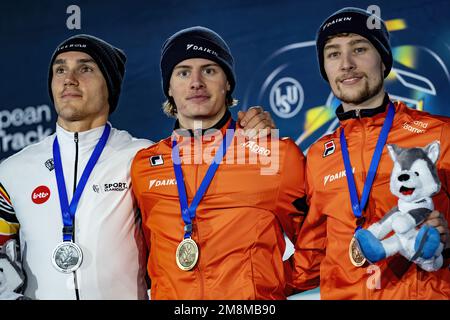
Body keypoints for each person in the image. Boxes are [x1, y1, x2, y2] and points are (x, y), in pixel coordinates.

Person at [0, 34, 273, 300]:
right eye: (60, 69)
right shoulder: (12, 172)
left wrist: (250, 132)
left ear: (109, 84)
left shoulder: (145, 157)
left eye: (85, 68)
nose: (69, 79)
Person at [131, 26, 307, 299]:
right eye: (183, 72)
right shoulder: (144, 165)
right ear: (169, 87)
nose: (196, 82)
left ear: (227, 83)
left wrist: (265, 282)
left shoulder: (272, 154)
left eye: (210, 70)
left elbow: (319, 242)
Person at [292, 7, 450, 299]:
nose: (346, 64)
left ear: (383, 59)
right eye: (333, 54)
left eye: (359, 48)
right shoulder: (316, 156)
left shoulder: (439, 134)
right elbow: (309, 256)